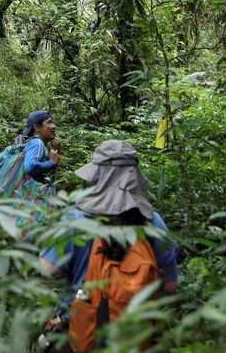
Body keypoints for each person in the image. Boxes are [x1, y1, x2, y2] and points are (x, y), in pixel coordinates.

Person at [38, 140, 177, 352]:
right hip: (138, 333)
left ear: (97, 176)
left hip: (79, 327)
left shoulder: (74, 217)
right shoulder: (153, 220)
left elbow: (50, 270)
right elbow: (169, 286)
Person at [22, 110, 61, 184]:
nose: (54, 126)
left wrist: (55, 152)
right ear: (37, 128)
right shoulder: (37, 143)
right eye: (49, 122)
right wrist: (51, 163)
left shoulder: (31, 144)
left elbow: (49, 179)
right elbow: (30, 167)